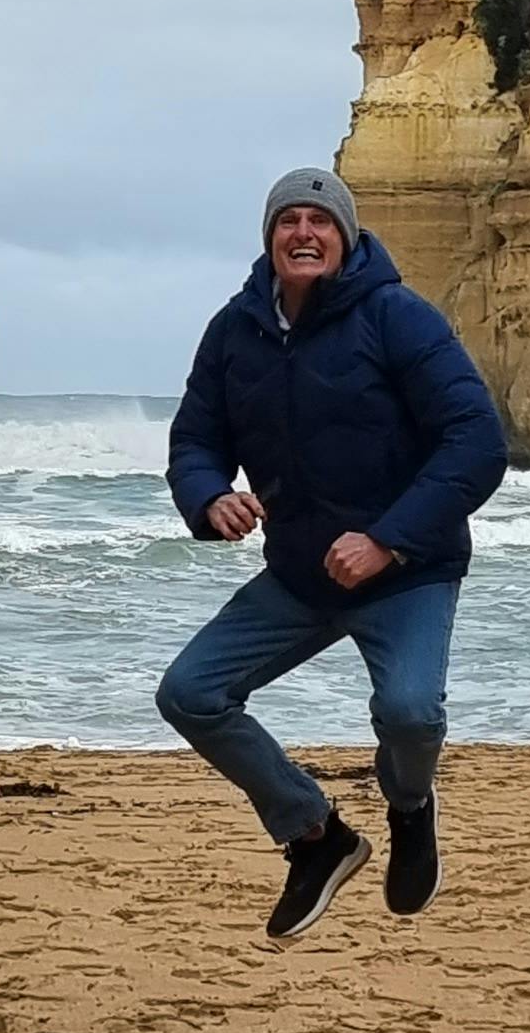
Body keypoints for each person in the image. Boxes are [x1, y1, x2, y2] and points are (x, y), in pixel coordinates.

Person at [157, 167, 507, 939]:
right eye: (290, 221)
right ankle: (317, 837)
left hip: (408, 571)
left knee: (410, 713)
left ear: (345, 239)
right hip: (301, 573)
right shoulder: (235, 330)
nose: (304, 233)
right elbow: (195, 438)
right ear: (270, 238)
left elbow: (476, 442)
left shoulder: (397, 318)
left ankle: (411, 808)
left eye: (321, 220)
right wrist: (209, 494)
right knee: (188, 693)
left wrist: (387, 539)